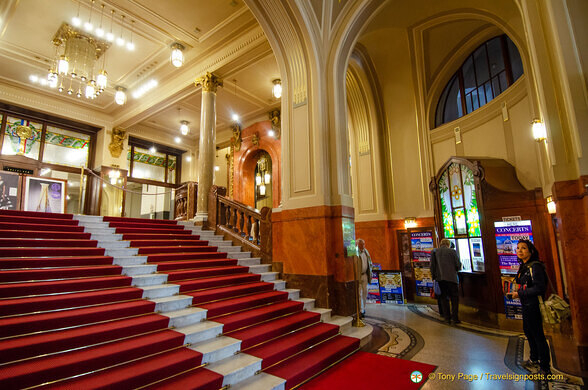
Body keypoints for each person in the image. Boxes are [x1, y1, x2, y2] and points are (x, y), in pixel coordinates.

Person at [511, 239, 551, 375]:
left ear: (530, 251)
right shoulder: (524, 266)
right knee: (529, 332)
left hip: (534, 304)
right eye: (518, 248)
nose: (520, 251)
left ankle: (545, 368)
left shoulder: (535, 267)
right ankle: (534, 359)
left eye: (523, 248)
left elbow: (540, 288)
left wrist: (520, 293)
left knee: (538, 335)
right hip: (526, 304)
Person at [430, 238, 461, 324]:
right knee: (454, 298)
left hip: (440, 279)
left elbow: (432, 266)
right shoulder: (452, 252)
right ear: (448, 244)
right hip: (452, 278)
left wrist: (434, 277)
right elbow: (458, 265)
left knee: (444, 298)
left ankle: (447, 317)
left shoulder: (435, 252)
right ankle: (455, 317)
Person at [357, 238, 373, 318]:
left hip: (365, 275)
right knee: (359, 293)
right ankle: (361, 310)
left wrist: (370, 272)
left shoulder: (366, 251)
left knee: (365, 292)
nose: (363, 246)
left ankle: (364, 308)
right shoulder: (356, 253)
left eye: (364, 244)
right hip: (359, 276)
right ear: (358, 244)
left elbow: (369, 261)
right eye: (362, 244)